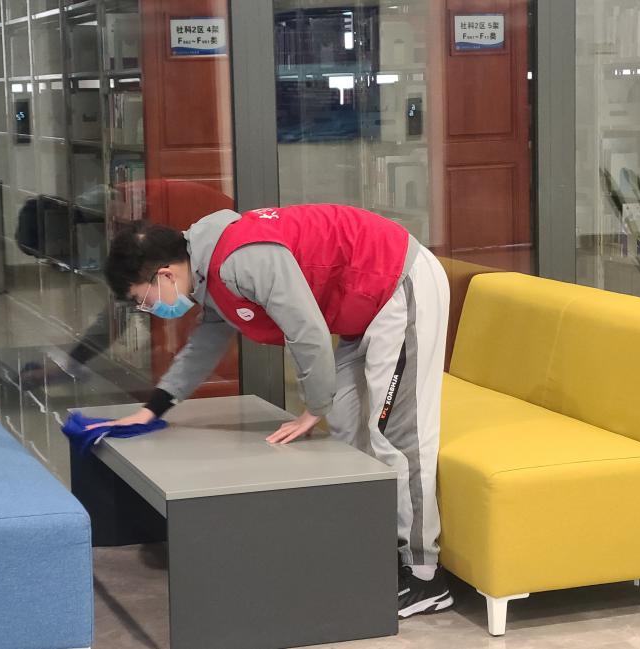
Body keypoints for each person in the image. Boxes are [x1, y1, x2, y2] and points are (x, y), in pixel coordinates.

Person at [101, 204, 452, 617]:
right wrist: (155, 408)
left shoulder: (240, 259)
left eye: (143, 300)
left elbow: (306, 329)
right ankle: (376, 548)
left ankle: (426, 576)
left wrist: (313, 408)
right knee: (346, 430)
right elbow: (205, 344)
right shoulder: (208, 270)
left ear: (163, 276)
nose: (150, 309)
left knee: (393, 433)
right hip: (363, 306)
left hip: (398, 281)